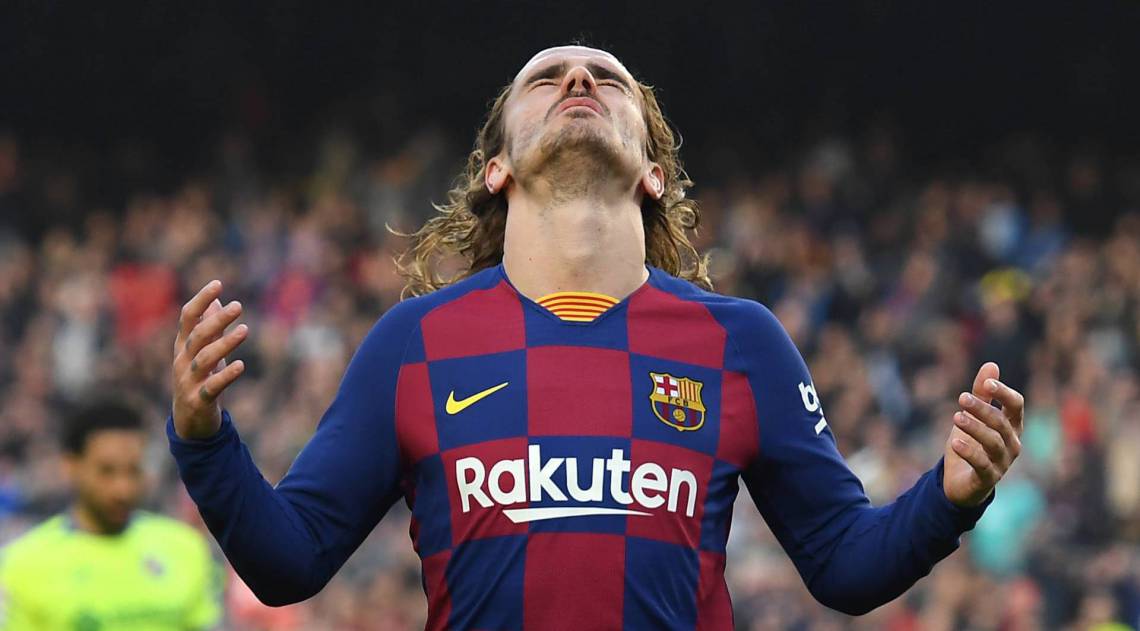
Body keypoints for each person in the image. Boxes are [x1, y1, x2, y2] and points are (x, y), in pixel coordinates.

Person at [167, 45, 1025, 629]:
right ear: (496, 167)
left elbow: (844, 565)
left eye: (605, 80)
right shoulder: (413, 345)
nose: (578, 79)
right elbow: (290, 559)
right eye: (547, 80)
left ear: (653, 171)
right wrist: (204, 439)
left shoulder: (742, 343)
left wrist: (951, 494)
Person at [0, 400, 221, 630]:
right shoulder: (23, 565)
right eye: (106, 471)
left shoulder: (186, 548)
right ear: (70, 466)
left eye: (133, 470)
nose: (122, 489)